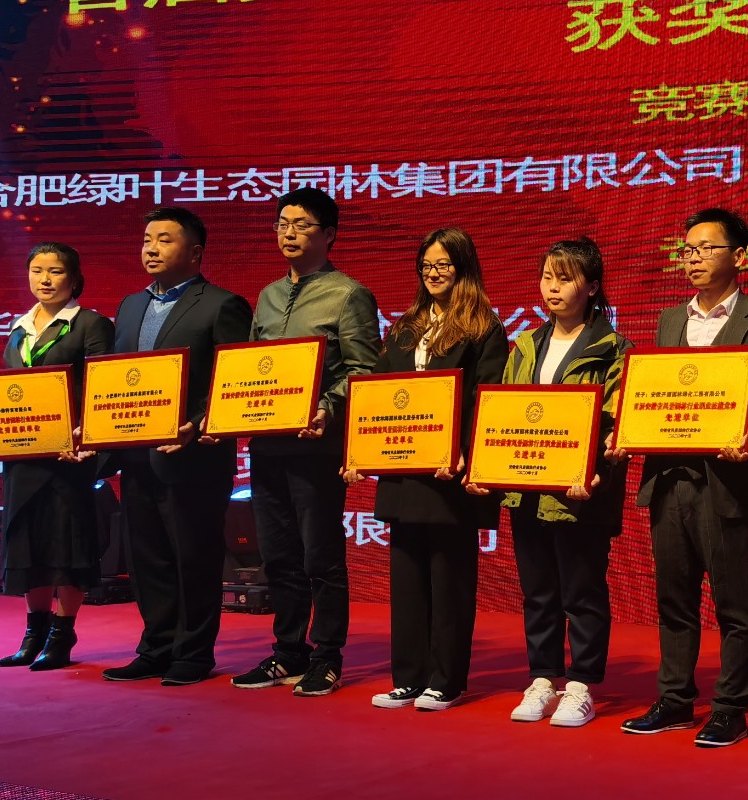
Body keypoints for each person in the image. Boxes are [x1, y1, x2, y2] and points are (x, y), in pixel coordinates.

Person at [619, 209, 748, 748]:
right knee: (674, 599)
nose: (693, 258)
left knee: (733, 603)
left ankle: (730, 707)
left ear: (739, 256)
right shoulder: (670, 320)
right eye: (688, 249)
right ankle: (674, 700)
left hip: (727, 481)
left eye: (706, 248)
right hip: (669, 477)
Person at [229, 188, 379, 700]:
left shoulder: (348, 295)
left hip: (317, 446)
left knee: (321, 557)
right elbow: (250, 367)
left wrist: (328, 407)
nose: (288, 233)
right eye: (281, 223)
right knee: (278, 555)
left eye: (301, 225)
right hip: (268, 442)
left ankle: (326, 656)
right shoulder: (268, 295)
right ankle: (287, 651)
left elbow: (363, 369)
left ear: (329, 234)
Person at [349, 229, 507, 712]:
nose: (433, 274)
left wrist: (463, 451)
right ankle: (409, 677)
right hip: (403, 472)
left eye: (443, 265)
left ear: (464, 268)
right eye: (426, 266)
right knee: (408, 579)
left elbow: (486, 397)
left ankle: (446, 679)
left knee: (449, 578)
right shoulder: (404, 327)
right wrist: (359, 451)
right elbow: (379, 395)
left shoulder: (484, 328)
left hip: (448, 475)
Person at [99, 208, 252, 687]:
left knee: (194, 557)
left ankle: (194, 653)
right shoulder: (129, 306)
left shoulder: (222, 305)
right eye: (147, 239)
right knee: (147, 559)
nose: (151, 248)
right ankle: (155, 648)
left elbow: (234, 380)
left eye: (165, 239)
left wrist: (198, 424)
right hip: (136, 454)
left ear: (195, 252)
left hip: (194, 457)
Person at [0, 243, 114, 671]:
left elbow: (102, 385)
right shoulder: (19, 328)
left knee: (67, 543)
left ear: (74, 279)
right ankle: (34, 633)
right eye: (37, 270)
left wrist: (87, 433)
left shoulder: (90, 324)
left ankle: (62, 633)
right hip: (22, 454)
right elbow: (12, 390)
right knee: (27, 542)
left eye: (55, 271)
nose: (44, 279)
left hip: (68, 455)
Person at [491, 237, 631, 728]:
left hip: (580, 493)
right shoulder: (526, 345)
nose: (552, 287)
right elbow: (503, 413)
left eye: (565, 278)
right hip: (527, 488)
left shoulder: (613, 349)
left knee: (582, 591)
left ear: (592, 286)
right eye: (547, 277)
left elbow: (615, 423)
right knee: (538, 592)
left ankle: (581, 686)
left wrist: (595, 474)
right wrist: (489, 468)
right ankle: (542, 678)